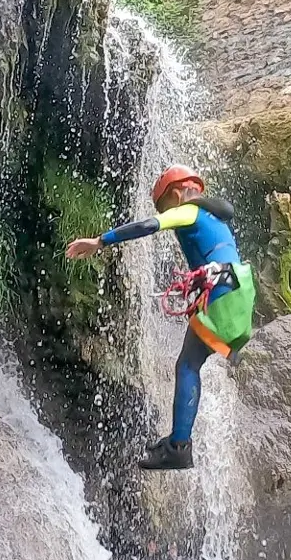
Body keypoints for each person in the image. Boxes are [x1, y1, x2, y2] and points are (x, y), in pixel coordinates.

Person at [64, 165, 256, 471]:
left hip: (223, 293)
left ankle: (179, 446)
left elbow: (149, 226)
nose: (166, 212)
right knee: (191, 362)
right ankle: (177, 442)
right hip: (239, 292)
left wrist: (100, 241)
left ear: (177, 194)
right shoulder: (214, 218)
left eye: (164, 205)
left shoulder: (189, 211)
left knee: (187, 365)